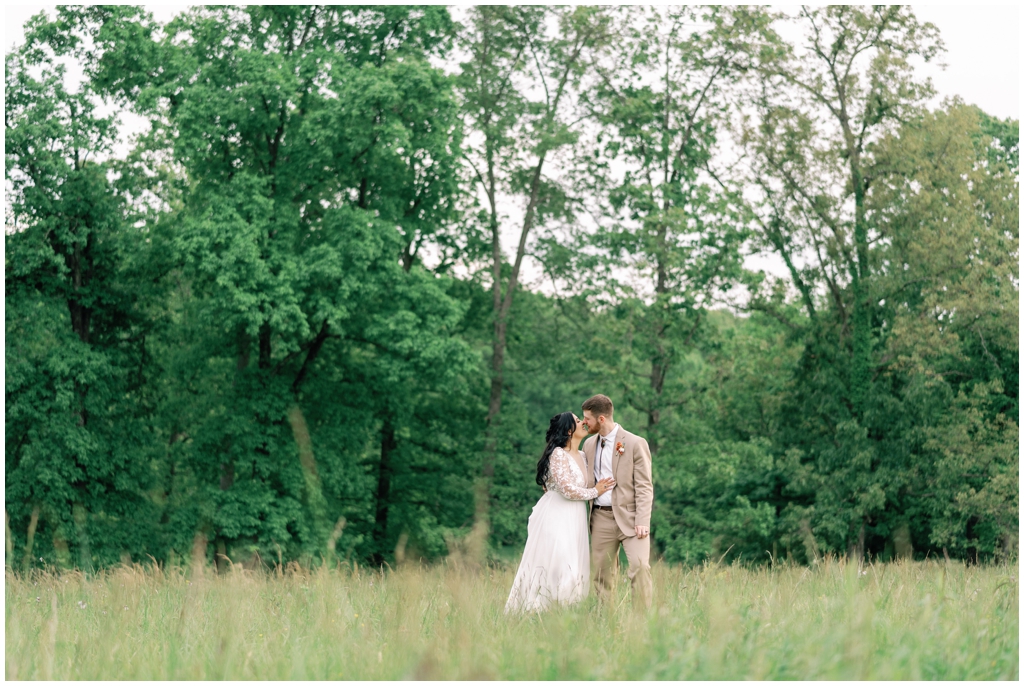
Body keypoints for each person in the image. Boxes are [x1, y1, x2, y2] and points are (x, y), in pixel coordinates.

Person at [504, 412, 616, 614]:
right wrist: (595, 491)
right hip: (557, 515)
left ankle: (565, 613)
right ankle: (537, 612)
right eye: (578, 420)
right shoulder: (557, 454)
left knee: (573, 565)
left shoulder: (582, 456)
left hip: (576, 517)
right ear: (568, 430)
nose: (583, 423)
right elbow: (566, 488)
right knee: (558, 562)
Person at [581, 394, 654, 609]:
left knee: (640, 569)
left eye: (587, 418)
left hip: (632, 520)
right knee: (602, 576)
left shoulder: (634, 443)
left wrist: (643, 520)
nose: (584, 422)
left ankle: (641, 625)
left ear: (601, 419)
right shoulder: (588, 445)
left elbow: (644, 486)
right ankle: (605, 624)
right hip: (600, 517)